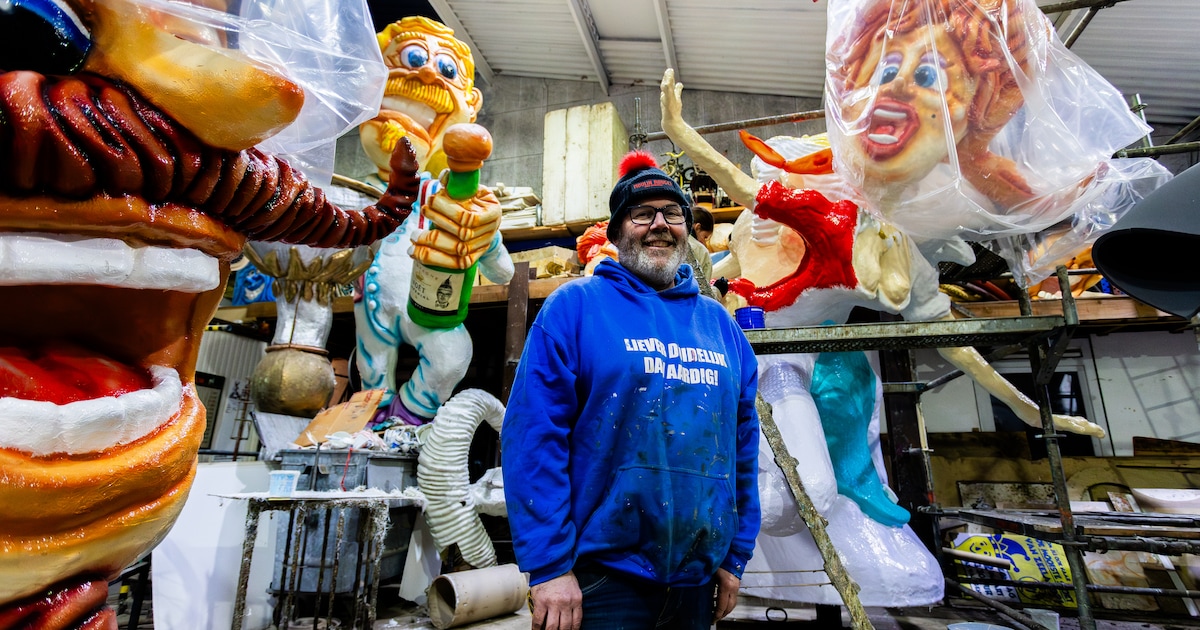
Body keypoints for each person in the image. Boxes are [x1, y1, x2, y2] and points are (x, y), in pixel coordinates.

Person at [502, 150, 761, 630]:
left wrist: (735, 554)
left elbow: (742, 448)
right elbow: (533, 439)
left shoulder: (721, 328)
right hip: (599, 583)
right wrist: (550, 566)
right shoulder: (575, 308)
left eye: (673, 214)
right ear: (618, 231)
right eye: (643, 214)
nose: (660, 224)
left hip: (696, 582)